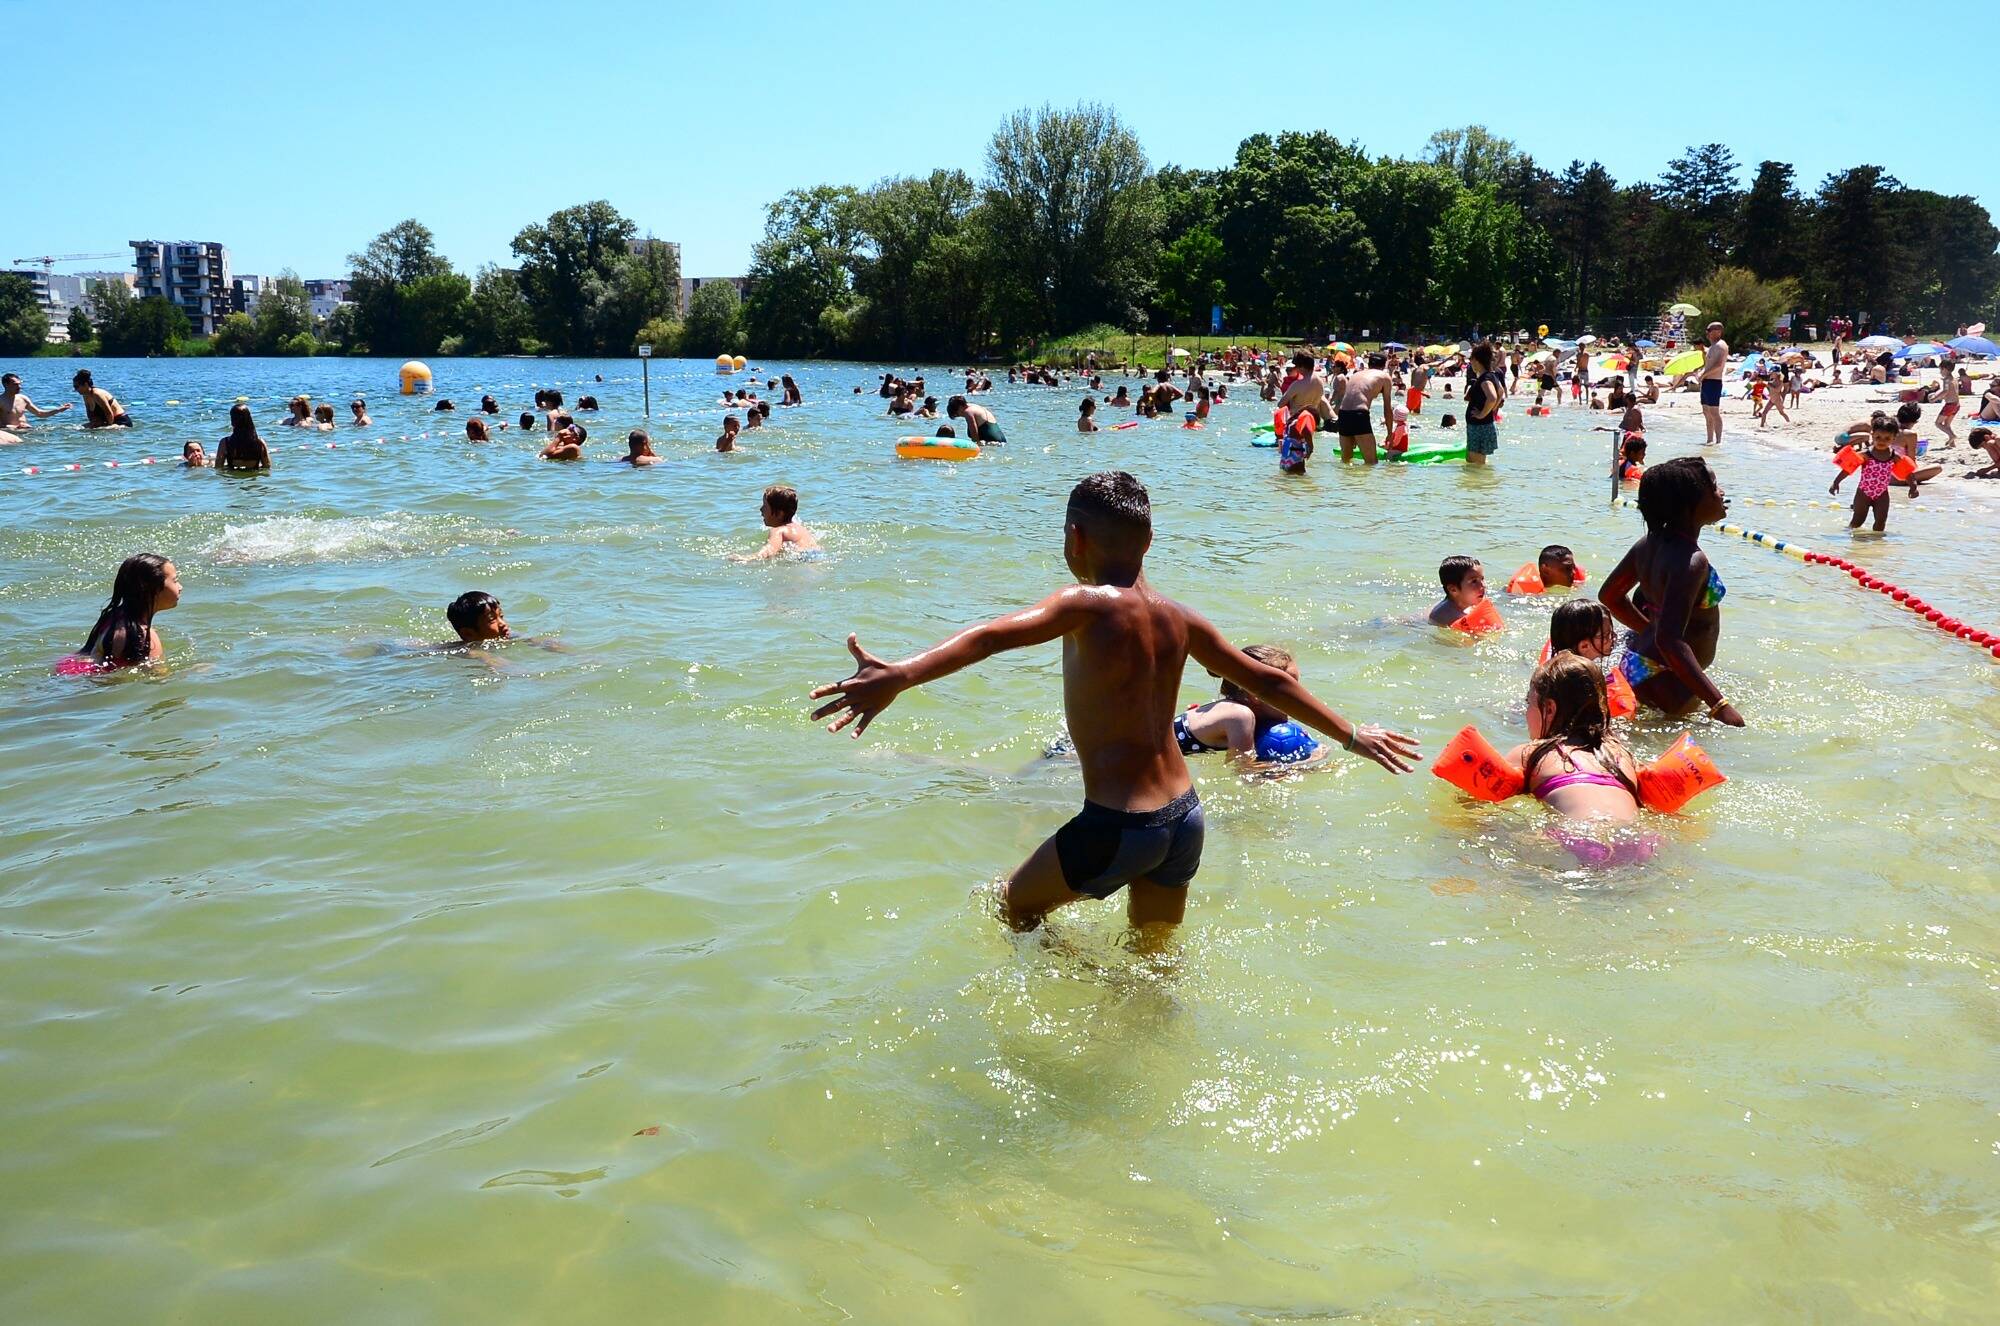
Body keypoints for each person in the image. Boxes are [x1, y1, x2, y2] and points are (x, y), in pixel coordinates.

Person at [808, 471, 1418, 937]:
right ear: (1150, 539)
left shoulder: (1084, 603)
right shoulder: (1182, 620)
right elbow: (1269, 682)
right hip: (1185, 820)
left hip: (1120, 824)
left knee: (1008, 910)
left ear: (1075, 537)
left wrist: (900, 675)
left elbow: (991, 637)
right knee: (1154, 963)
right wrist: (1350, 735)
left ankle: (1094, 981)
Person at [1600, 457, 1744, 725]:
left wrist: (1647, 631)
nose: (1721, 492)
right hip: (1667, 675)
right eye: (1714, 487)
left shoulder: (1648, 544)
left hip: (1639, 664)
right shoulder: (1691, 560)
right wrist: (1720, 706)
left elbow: (1610, 596)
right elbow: (1669, 640)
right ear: (1689, 504)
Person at [1501, 654, 1649, 858]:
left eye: (1529, 703)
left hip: (1576, 839)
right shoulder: (1621, 753)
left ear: (1550, 708)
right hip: (1639, 843)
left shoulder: (1528, 753)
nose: (1527, 711)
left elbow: (1485, 798)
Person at [1172, 643, 1326, 769]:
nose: (1299, 697)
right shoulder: (1241, 716)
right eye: (1290, 691)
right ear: (1256, 695)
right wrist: (1307, 764)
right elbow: (1244, 771)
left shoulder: (1234, 710)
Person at [73, 553, 181, 668]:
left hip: (71, 667)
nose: (180, 587)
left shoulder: (114, 616)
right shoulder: (145, 637)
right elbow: (158, 681)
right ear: (150, 588)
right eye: (175, 581)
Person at [1831, 413, 1913, 532]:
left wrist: (1913, 486)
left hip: (1882, 494)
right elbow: (1848, 469)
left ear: (1894, 438)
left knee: (1881, 522)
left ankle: (1877, 544)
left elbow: (1906, 472)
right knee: (1858, 520)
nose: (1882, 441)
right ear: (1872, 435)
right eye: (1878, 437)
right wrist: (1836, 482)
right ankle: (1849, 536)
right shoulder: (1866, 455)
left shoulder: (1894, 456)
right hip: (1863, 493)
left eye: (1887, 438)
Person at [1334, 353, 1396, 465]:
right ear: (1384, 365)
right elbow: (1387, 408)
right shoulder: (1384, 377)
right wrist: (1390, 433)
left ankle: (1345, 483)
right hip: (1359, 414)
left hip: (1343, 414)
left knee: (1346, 460)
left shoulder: (1356, 374)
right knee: (1371, 463)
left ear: (1369, 363)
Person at [740, 484, 822, 560]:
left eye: (765, 506)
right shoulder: (800, 528)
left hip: (802, 558)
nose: (761, 509)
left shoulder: (778, 531)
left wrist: (746, 558)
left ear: (779, 514)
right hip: (816, 555)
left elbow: (770, 550)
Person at [1463, 342, 1503, 465]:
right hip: (1485, 425)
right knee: (1478, 463)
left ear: (1476, 360)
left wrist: (1482, 414)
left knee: (1474, 463)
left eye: (1471, 360)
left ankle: (1478, 485)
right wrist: (1492, 411)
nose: (1470, 363)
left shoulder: (1485, 379)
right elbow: (1500, 393)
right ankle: (1483, 484)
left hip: (1479, 427)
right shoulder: (1492, 376)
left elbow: (1492, 397)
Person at [1428, 555, 1488, 626]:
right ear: (1453, 590)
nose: (1483, 585)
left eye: (1482, 579)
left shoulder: (1457, 603)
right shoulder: (1453, 617)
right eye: (1474, 581)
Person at [440, 591, 510, 647]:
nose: (503, 624)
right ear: (468, 634)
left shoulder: (510, 636)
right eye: (491, 619)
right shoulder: (473, 652)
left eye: (501, 616)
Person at [1, 372, 71, 428]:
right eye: (15, 384)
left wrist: (59, 409)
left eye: (20, 384)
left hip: (25, 431)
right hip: (9, 433)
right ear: (5, 385)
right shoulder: (1, 401)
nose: (19, 387)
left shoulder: (23, 398)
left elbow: (40, 414)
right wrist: (16, 427)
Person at [215, 402, 272, 470]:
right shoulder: (259, 443)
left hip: (233, 478)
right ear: (250, 420)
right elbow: (267, 466)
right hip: (252, 478)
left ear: (232, 421)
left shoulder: (225, 442)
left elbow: (218, 467)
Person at [1697, 322, 1727, 445]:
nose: (1707, 333)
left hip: (1714, 382)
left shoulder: (1721, 346)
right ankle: (1709, 440)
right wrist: (1700, 373)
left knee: (1714, 412)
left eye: (1710, 330)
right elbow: (1708, 365)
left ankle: (1718, 441)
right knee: (1706, 411)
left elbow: (1719, 365)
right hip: (1706, 381)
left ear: (1718, 331)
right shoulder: (1711, 347)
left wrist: (1704, 374)